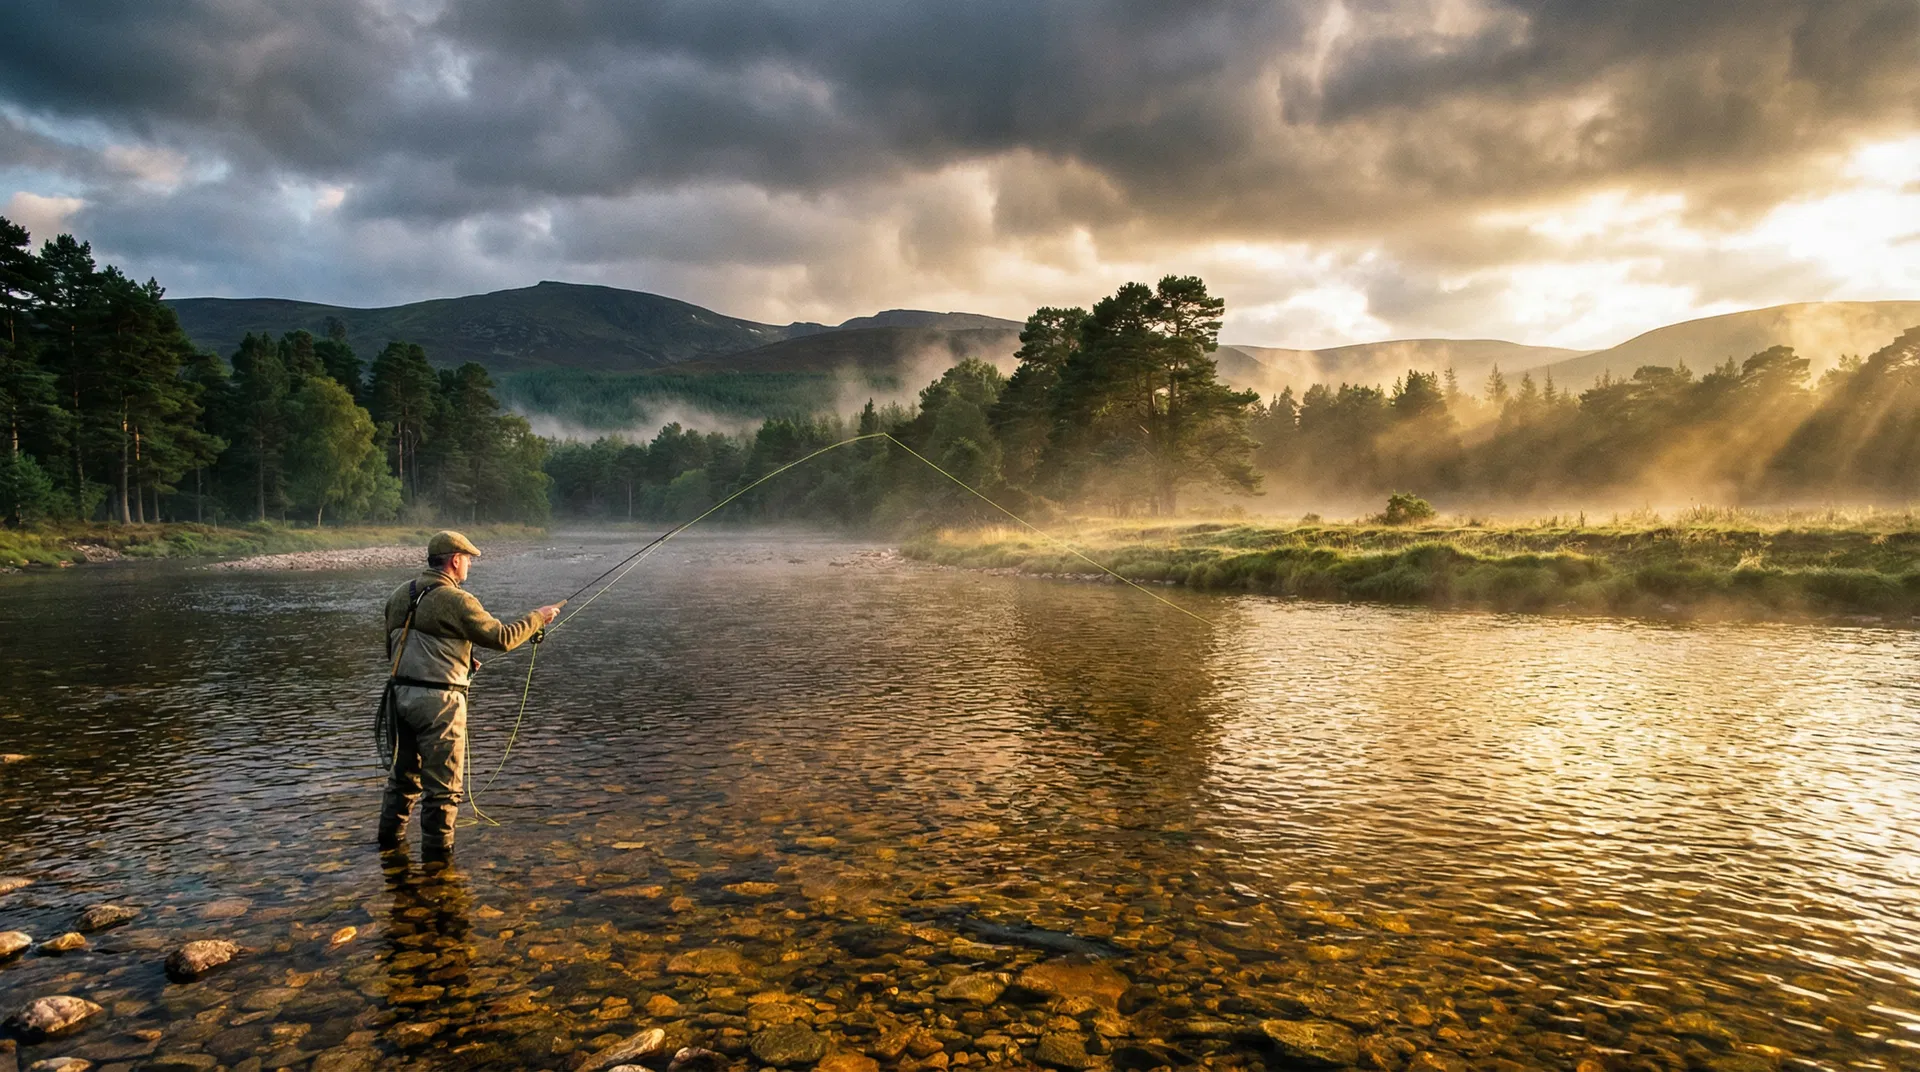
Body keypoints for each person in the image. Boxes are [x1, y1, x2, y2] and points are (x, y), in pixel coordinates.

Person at [378, 530, 561, 861]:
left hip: (396, 699)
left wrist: (457, 659)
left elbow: (394, 646)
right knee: (443, 791)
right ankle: (438, 864)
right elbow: (503, 638)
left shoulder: (398, 594)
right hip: (438, 705)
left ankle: (388, 850)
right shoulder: (457, 600)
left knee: (402, 780)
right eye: (469, 561)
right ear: (455, 560)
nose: (470, 567)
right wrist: (538, 618)